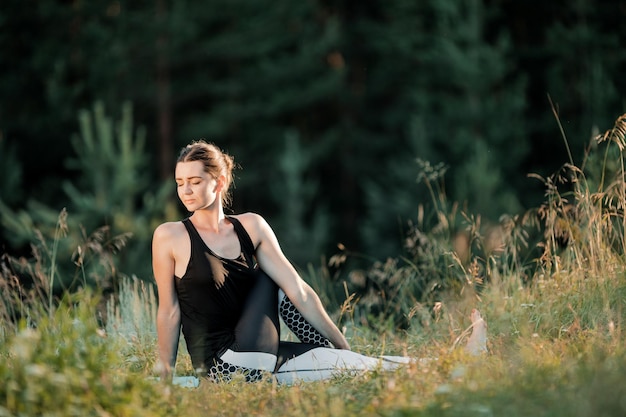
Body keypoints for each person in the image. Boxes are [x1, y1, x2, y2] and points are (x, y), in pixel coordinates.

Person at [152, 140, 486, 385]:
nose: (186, 190)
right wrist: (164, 374)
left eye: (195, 182)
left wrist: (342, 345)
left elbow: (300, 291)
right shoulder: (170, 236)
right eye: (181, 182)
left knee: (352, 363)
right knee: (270, 280)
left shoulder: (250, 226)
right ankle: (458, 363)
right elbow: (169, 311)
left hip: (258, 348)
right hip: (223, 366)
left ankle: (457, 363)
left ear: (219, 182)